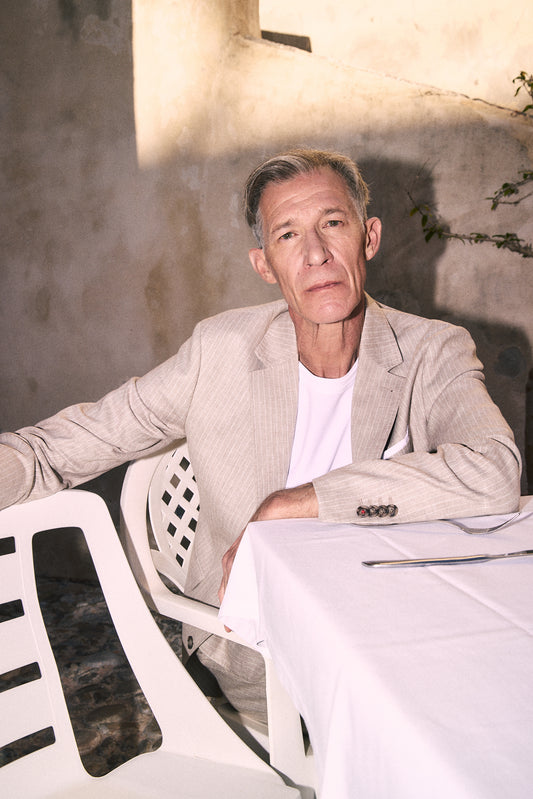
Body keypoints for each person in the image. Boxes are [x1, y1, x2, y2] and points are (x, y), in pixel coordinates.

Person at [0, 148, 521, 723]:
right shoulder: (219, 351)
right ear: (265, 264)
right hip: (258, 647)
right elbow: (60, 447)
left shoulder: (433, 350)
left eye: (333, 223)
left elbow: (495, 471)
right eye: (287, 235)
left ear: (368, 237)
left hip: (394, 626)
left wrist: (299, 502)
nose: (316, 254)